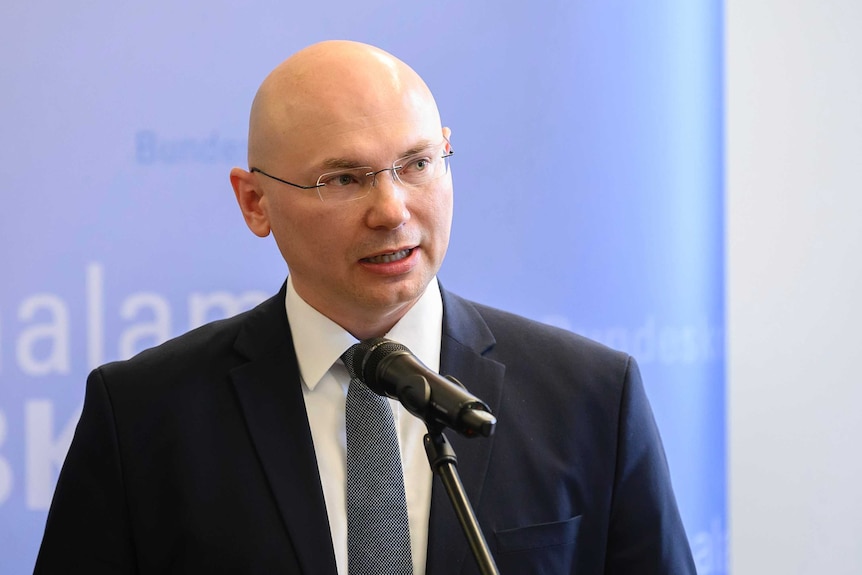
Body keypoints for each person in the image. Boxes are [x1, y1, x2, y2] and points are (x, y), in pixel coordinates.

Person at [34, 40, 696, 574]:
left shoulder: (591, 397)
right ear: (254, 202)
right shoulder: (145, 415)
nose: (392, 209)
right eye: (343, 178)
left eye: (416, 164)